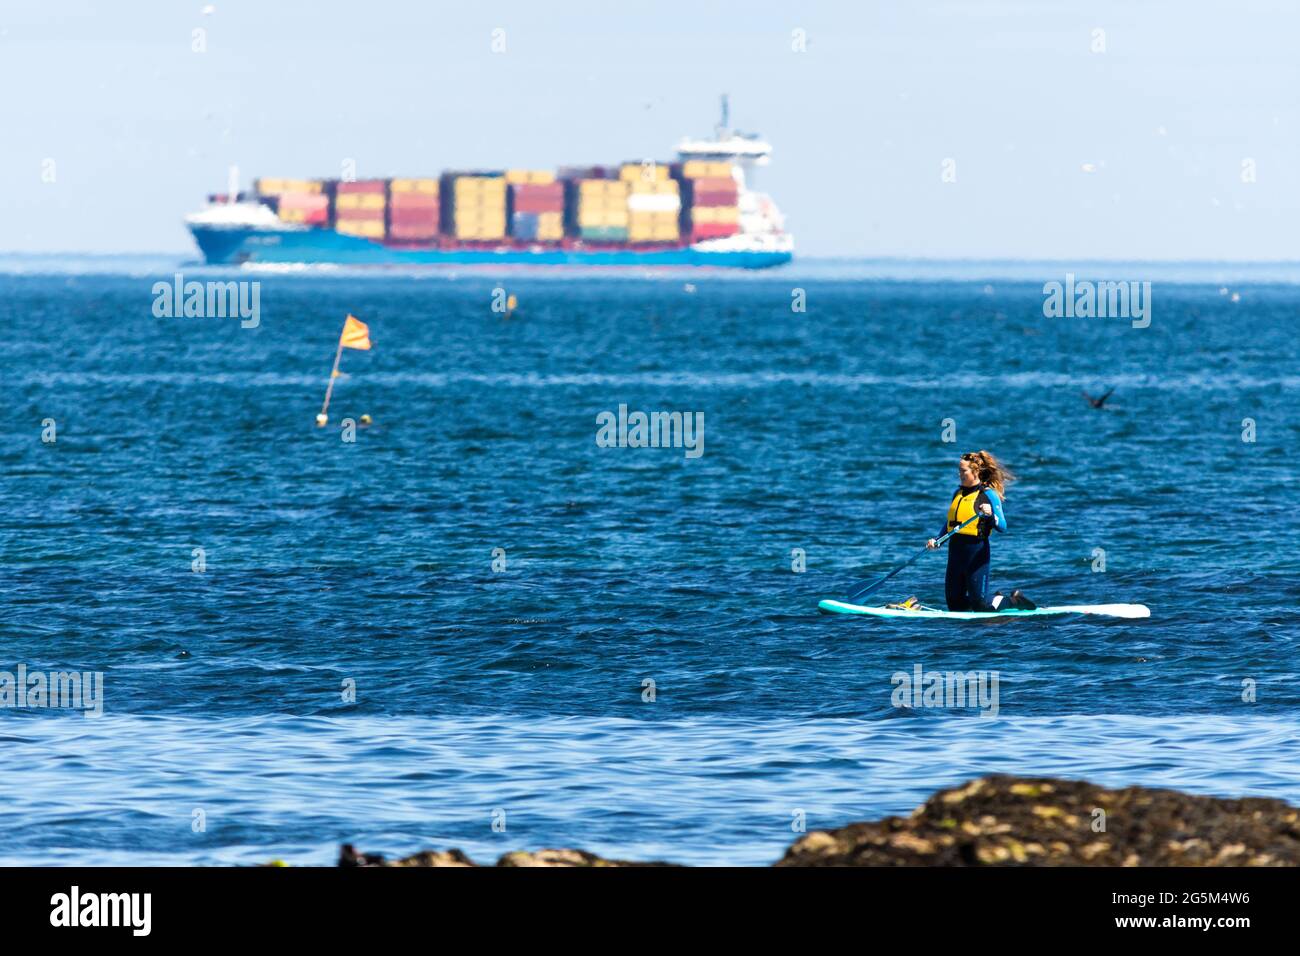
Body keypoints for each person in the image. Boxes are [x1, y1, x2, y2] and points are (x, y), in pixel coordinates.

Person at [926, 451, 1034, 612]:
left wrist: (990, 515)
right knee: (955, 605)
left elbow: (1002, 526)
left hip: (976, 553)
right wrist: (938, 540)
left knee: (981, 606)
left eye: (964, 470)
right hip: (955, 553)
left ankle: (1014, 600)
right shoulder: (958, 493)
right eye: (959, 470)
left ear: (975, 471)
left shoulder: (988, 494)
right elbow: (951, 524)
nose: (959, 474)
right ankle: (993, 597)